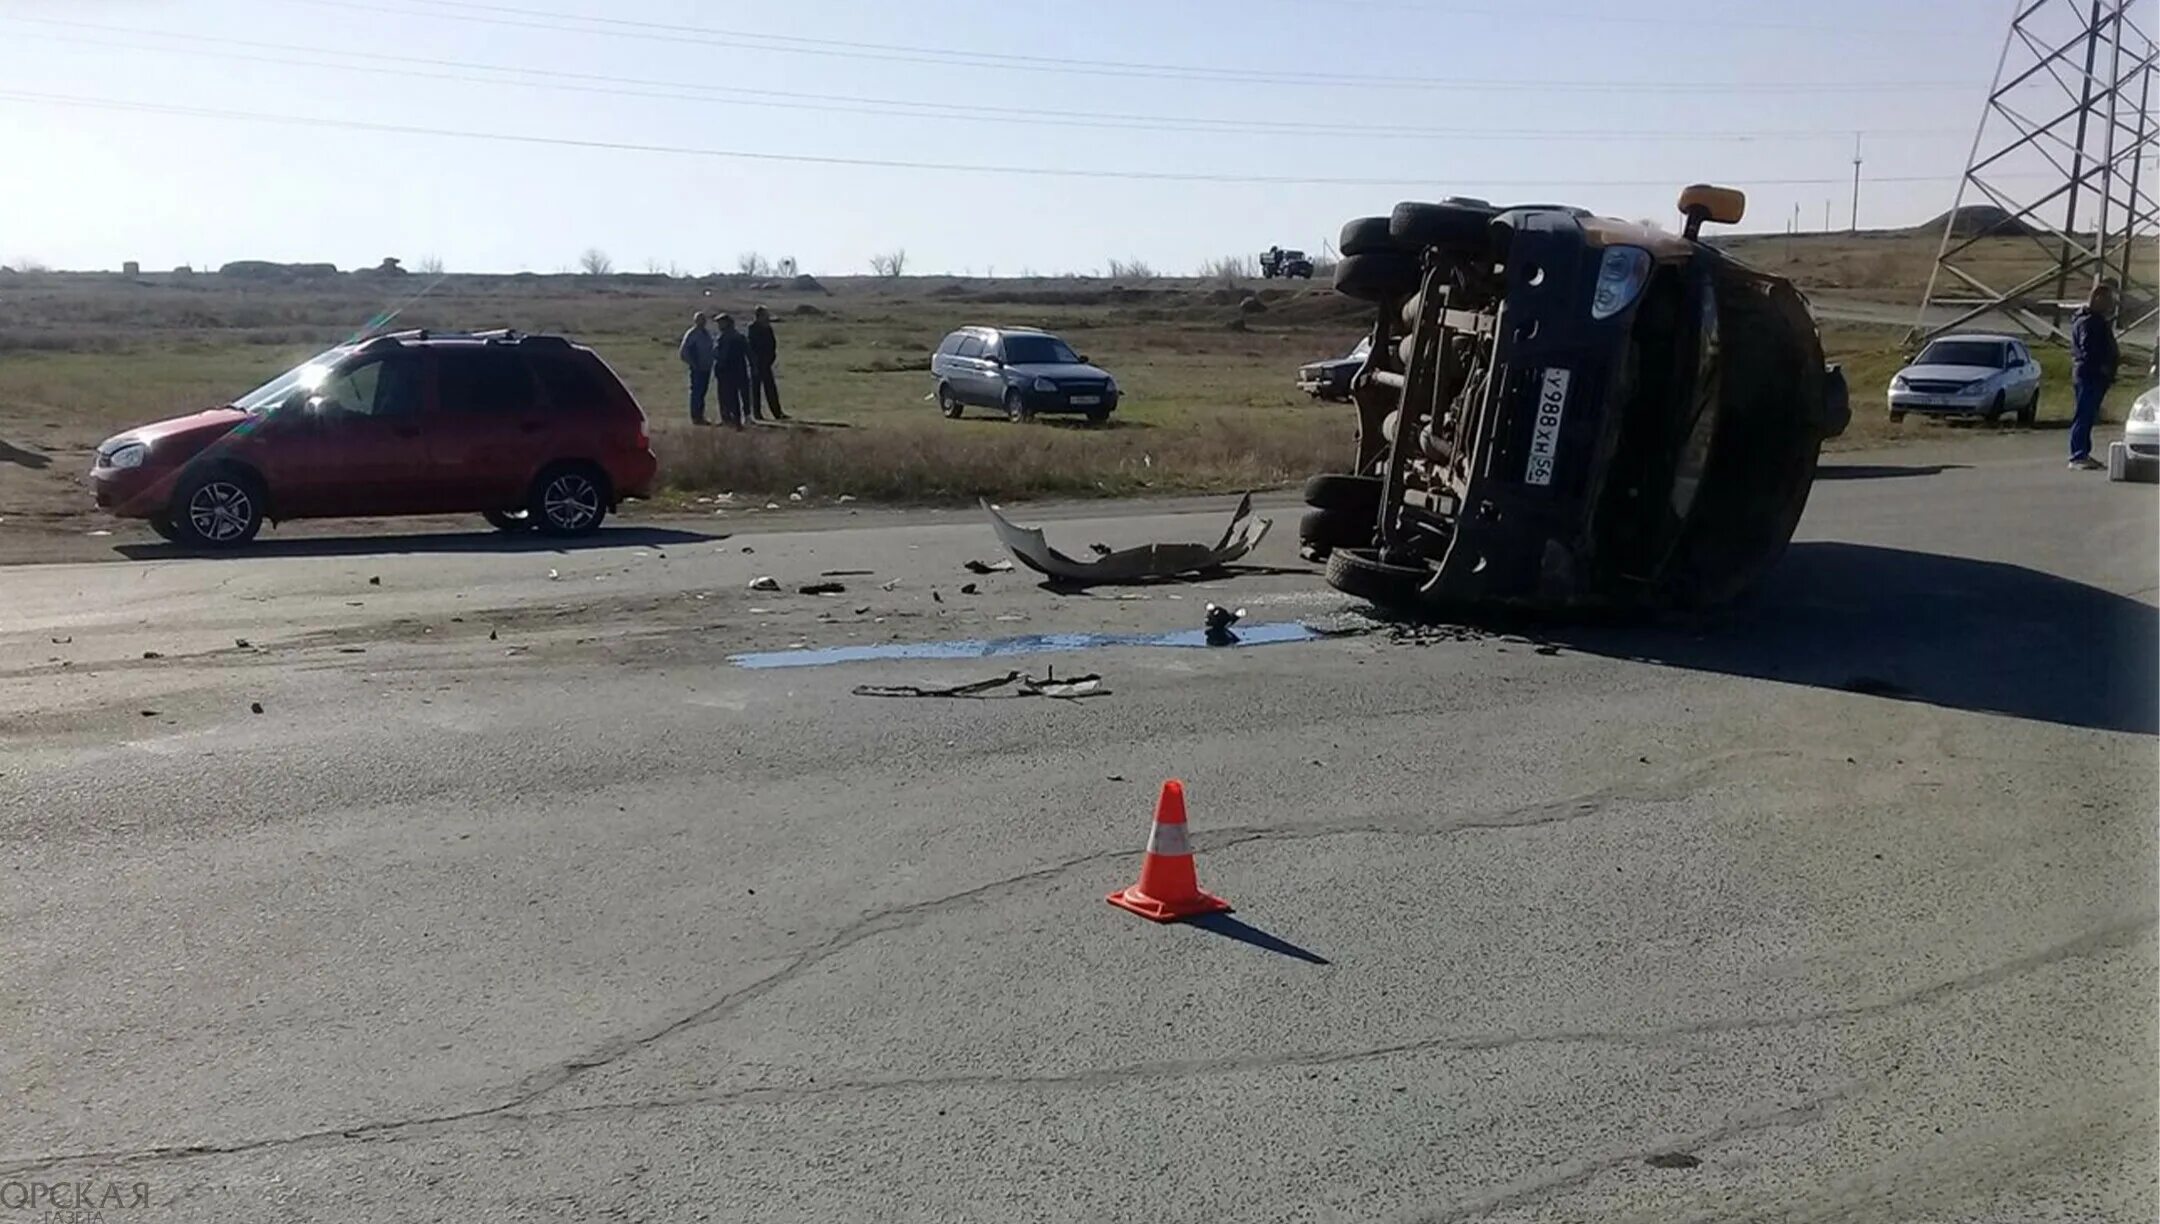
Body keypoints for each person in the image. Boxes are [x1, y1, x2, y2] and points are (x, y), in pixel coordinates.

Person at [2068, 281, 2119, 470]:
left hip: (2094, 375)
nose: (2110, 305)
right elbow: (2088, 348)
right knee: (2084, 414)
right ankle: (2078, 454)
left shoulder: (2096, 320)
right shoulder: (2089, 322)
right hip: (2089, 375)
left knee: (2089, 415)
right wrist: (2102, 366)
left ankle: (2083, 452)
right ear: (2097, 298)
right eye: (2107, 300)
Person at [747, 305, 788, 421]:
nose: (767, 317)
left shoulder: (768, 328)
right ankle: (757, 414)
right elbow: (751, 346)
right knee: (755, 390)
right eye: (765, 315)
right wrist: (754, 361)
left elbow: (772, 344)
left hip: (766, 363)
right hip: (756, 363)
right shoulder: (753, 328)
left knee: (771, 388)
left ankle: (777, 413)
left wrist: (771, 358)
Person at [711, 313, 752, 429]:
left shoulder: (725, 338)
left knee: (729, 397)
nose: (719, 325)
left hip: (728, 372)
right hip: (739, 370)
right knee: (737, 396)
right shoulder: (739, 336)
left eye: (720, 323)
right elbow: (749, 354)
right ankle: (736, 419)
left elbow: (720, 355)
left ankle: (732, 420)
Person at [678, 311, 715, 425]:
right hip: (697, 369)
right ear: (696, 321)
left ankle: (700, 415)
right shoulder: (692, 334)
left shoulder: (706, 333)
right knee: (696, 393)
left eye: (704, 320)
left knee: (702, 392)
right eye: (700, 320)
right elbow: (683, 352)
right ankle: (696, 417)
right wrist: (694, 364)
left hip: (706, 368)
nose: (703, 322)